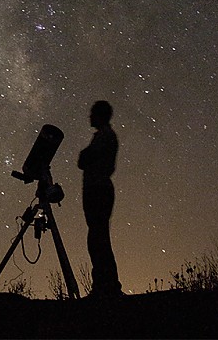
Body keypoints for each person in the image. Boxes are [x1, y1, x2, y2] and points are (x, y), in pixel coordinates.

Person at [78, 100, 123, 299]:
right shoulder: (104, 136)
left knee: (98, 239)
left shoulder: (105, 136)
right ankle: (106, 286)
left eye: (92, 114)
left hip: (98, 190)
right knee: (98, 238)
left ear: (99, 115)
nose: (89, 117)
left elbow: (84, 159)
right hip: (98, 189)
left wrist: (85, 156)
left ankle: (107, 287)